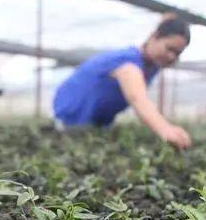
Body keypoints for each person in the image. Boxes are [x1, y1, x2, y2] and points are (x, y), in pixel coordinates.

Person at [53, 14, 192, 149]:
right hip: (71, 116)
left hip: (97, 122)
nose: (172, 57)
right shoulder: (128, 61)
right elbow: (137, 98)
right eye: (169, 48)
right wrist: (165, 129)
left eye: (178, 53)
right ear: (153, 37)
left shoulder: (152, 65)